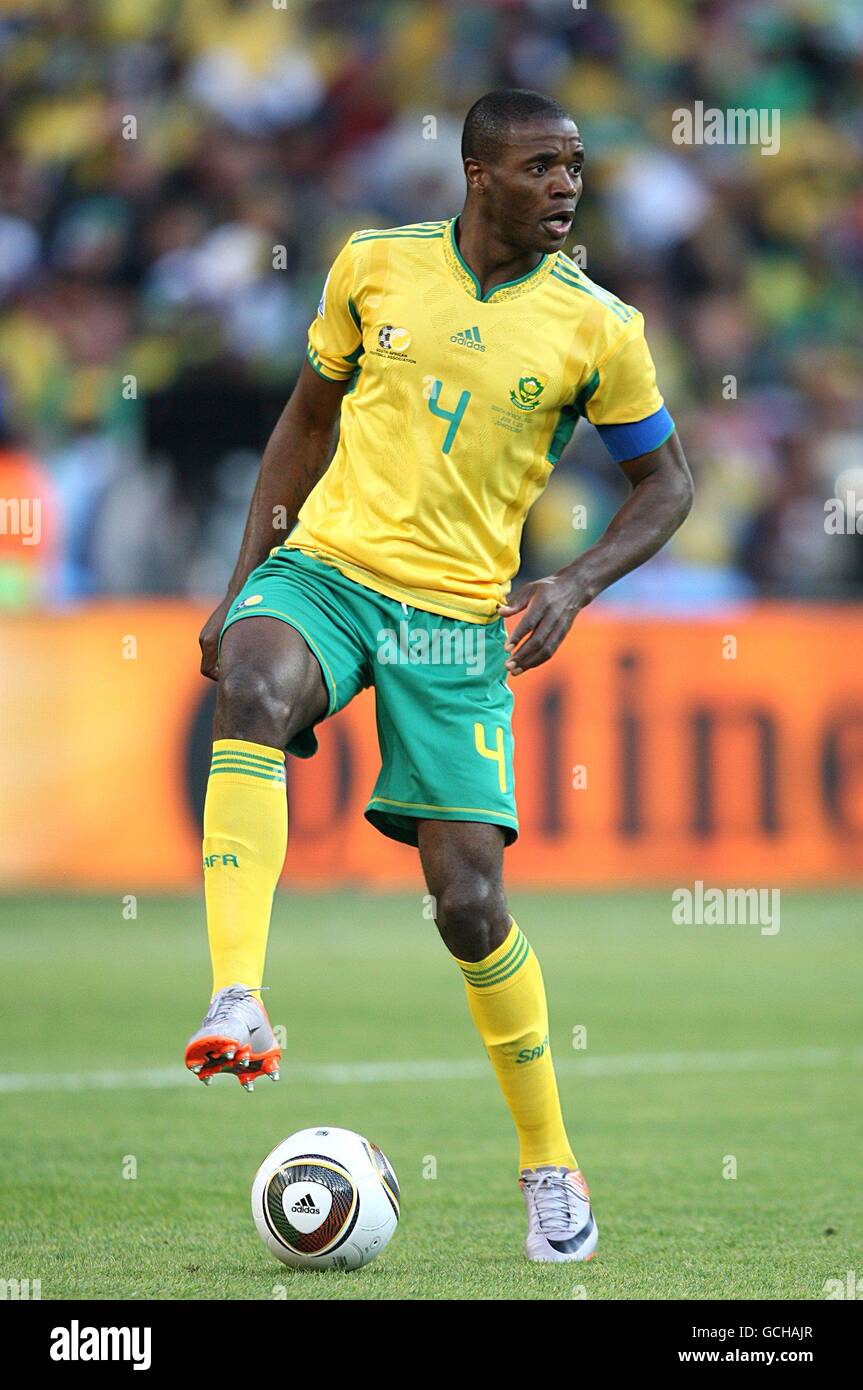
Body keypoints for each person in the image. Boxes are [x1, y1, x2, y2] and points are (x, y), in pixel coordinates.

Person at [185, 88, 693, 1263]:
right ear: (477, 174)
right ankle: (236, 998)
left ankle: (548, 1163)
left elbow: (665, 484)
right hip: (327, 571)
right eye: (540, 166)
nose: (565, 184)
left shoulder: (597, 329)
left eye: (575, 165)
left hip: (454, 625)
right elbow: (303, 425)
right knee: (253, 682)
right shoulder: (373, 267)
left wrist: (570, 583)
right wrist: (240, 579)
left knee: (467, 906)